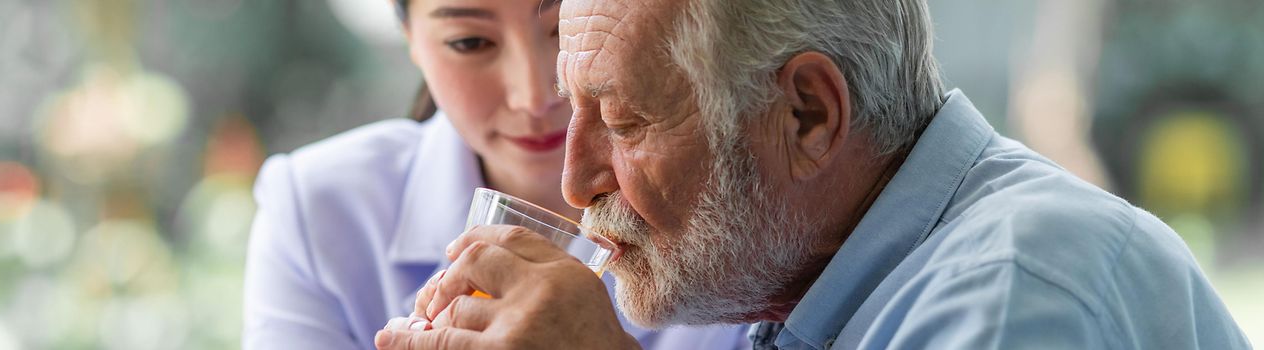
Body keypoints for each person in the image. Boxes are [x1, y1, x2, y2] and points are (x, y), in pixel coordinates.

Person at [377, 0, 1253, 349]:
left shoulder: (1010, 294)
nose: (573, 183)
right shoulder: (810, 297)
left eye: (626, 119)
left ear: (808, 116)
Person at [241, 0, 747, 348]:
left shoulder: (747, 197)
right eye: (469, 43)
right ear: (411, 42)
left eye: (566, 27)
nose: (534, 95)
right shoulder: (318, 210)